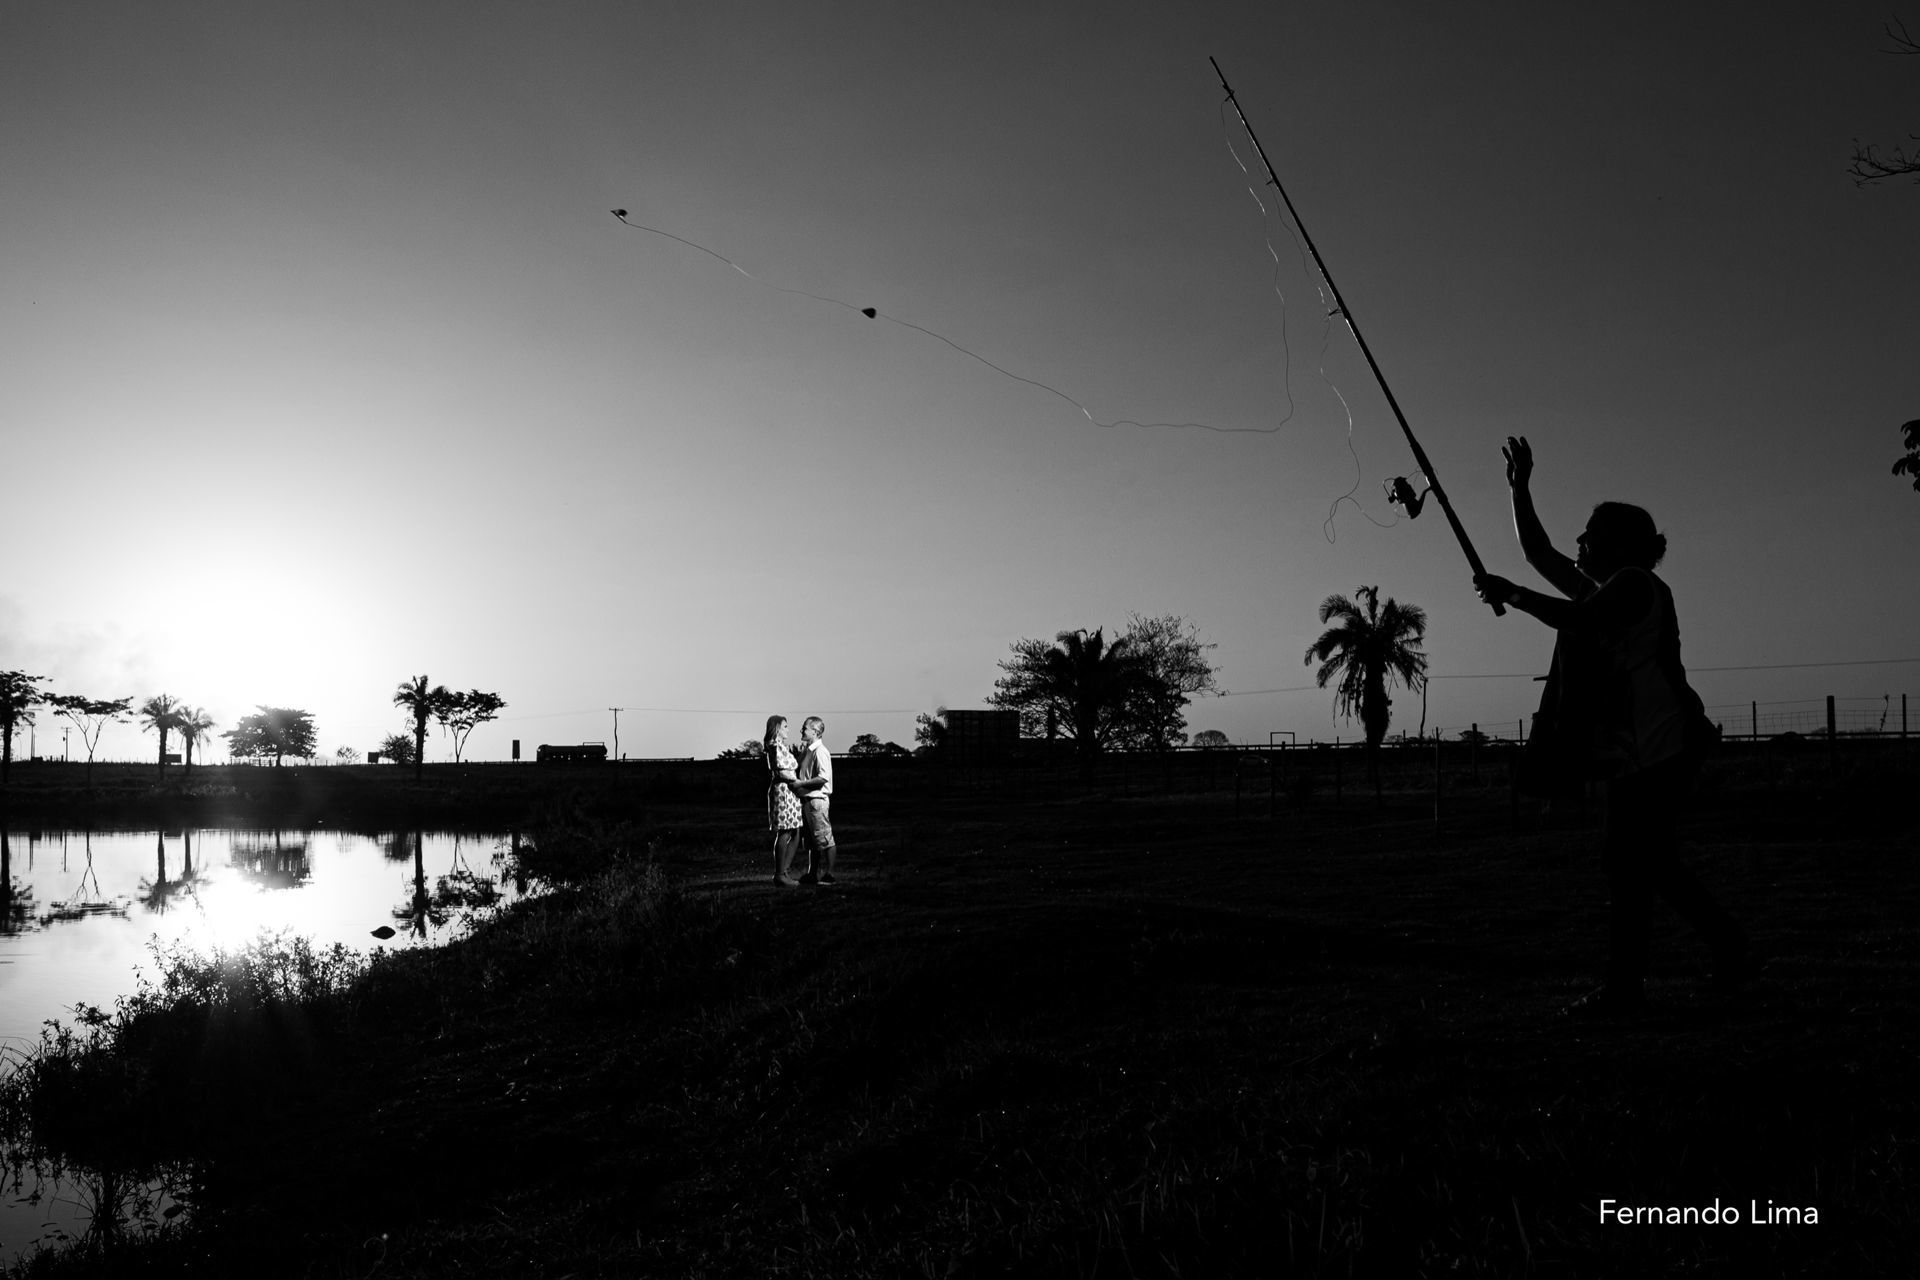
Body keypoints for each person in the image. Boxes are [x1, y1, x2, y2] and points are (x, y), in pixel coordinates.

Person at [1473, 435, 1750, 1015]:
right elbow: (1537, 551)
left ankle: (1627, 990)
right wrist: (1519, 488)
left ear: (1618, 544)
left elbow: (1574, 615)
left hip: (1664, 747)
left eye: (1590, 533)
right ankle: (1728, 951)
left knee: (1629, 863)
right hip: (1644, 752)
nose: (1579, 541)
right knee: (1648, 862)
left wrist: (1515, 596)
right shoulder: (1610, 586)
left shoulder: (1634, 585)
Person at [763, 715, 806, 888]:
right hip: (783, 791)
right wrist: (798, 783)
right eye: (785, 726)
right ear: (777, 728)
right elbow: (780, 772)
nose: (788, 729)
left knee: (795, 831)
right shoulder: (774, 747)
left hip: (790, 792)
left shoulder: (782, 747)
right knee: (785, 832)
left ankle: (784, 871)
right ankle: (780, 874)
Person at [794, 716, 837, 885]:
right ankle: (812, 874)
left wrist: (801, 784)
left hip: (817, 800)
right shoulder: (809, 750)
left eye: (805, 728)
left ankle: (830, 874)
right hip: (808, 800)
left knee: (825, 838)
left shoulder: (820, 751)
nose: (801, 730)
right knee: (812, 841)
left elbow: (823, 777)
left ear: (815, 731)